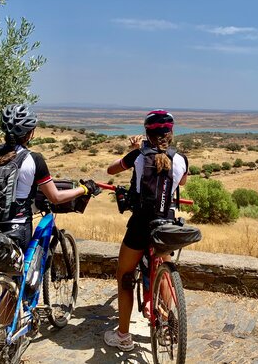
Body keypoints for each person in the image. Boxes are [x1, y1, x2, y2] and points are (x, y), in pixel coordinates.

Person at [0, 103, 98, 328]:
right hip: (17, 230)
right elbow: (55, 197)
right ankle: (4, 340)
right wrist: (84, 189)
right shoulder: (33, 159)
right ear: (30, 133)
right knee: (15, 283)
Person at [104, 109, 189, 351]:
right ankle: (165, 323)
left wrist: (133, 150)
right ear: (170, 134)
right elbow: (181, 181)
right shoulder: (181, 159)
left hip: (141, 225)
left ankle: (122, 336)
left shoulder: (139, 157)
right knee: (163, 264)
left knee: (124, 275)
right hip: (166, 225)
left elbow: (111, 170)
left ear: (146, 133)